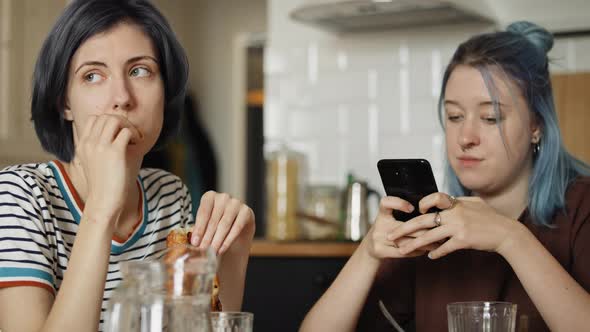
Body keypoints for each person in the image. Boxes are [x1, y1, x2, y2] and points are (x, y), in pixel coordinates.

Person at [300, 21, 590, 332]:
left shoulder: (581, 208)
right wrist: (368, 254)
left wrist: (511, 238)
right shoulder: (432, 229)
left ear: (537, 125)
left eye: (490, 117)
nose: (465, 136)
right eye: (454, 116)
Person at [0, 1, 255, 331]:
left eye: (140, 71)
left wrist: (233, 252)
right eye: (92, 76)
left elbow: (197, 326)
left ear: (165, 92)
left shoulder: (169, 193)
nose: (122, 97)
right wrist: (102, 208)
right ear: (65, 102)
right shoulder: (18, 195)